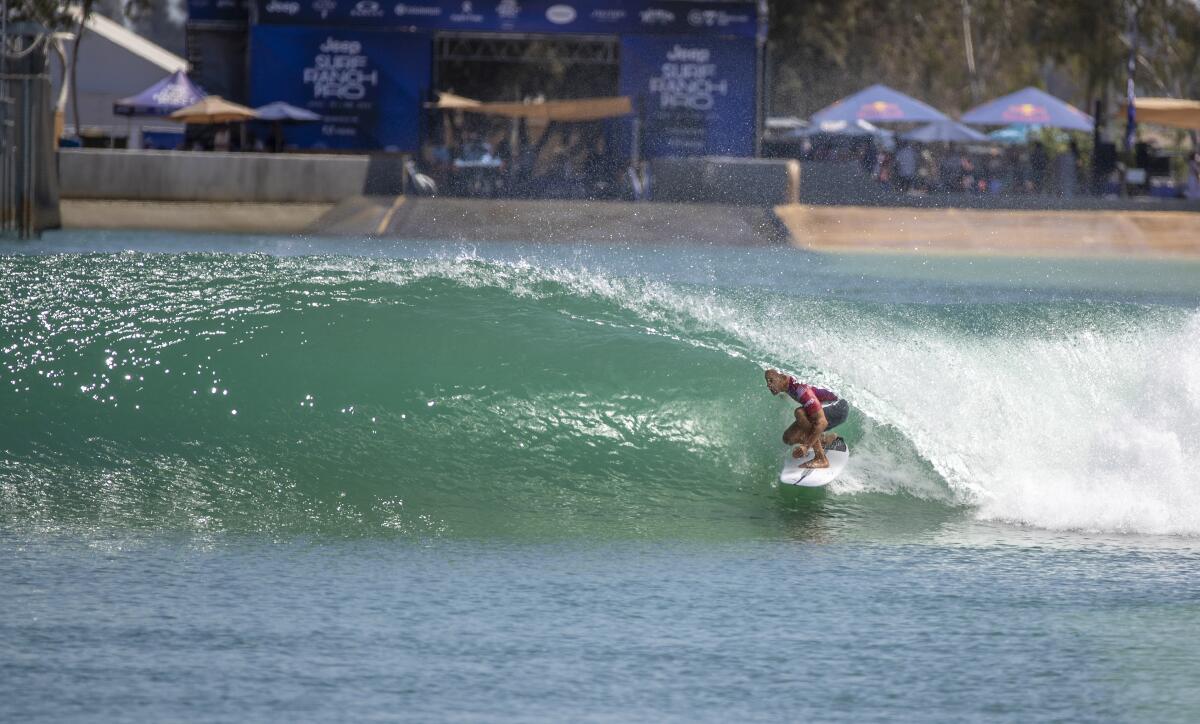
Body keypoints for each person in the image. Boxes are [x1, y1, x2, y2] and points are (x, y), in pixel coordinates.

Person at [764, 369, 848, 469]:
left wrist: (806, 446)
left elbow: (822, 422)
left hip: (838, 408)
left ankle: (821, 458)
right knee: (788, 438)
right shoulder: (786, 384)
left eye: (771, 380)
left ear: (782, 378)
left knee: (800, 413)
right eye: (767, 381)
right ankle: (824, 440)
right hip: (826, 405)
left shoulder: (801, 390)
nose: (768, 385)